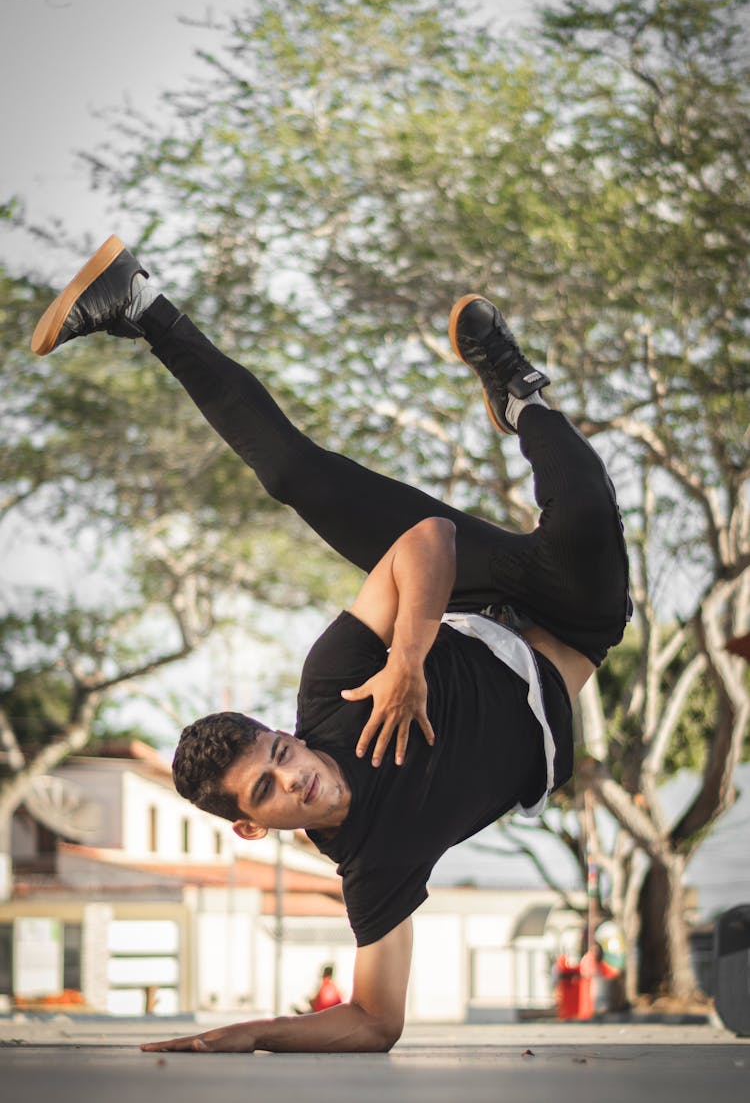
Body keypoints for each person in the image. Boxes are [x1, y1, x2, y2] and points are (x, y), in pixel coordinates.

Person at [32, 236, 631, 1054]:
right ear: (253, 826)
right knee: (590, 520)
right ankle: (521, 396)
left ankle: (140, 304)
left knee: (295, 477)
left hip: (486, 593)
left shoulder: (331, 690)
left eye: (280, 751)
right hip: (577, 625)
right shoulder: (372, 866)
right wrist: (253, 1033)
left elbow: (428, 540)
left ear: (283, 728)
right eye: (271, 789)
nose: (299, 775)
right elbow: (375, 1020)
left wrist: (406, 664)